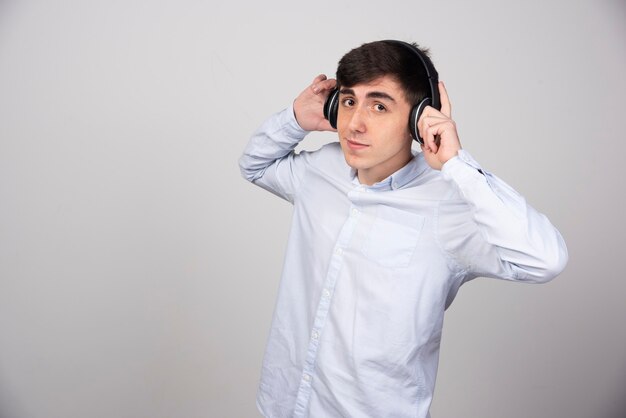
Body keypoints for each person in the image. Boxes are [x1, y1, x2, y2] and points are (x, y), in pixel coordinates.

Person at [239, 40, 568, 418]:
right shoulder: (319, 171)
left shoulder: (448, 206)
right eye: (348, 101)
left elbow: (545, 260)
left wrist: (456, 164)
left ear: (418, 119)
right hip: (283, 405)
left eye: (379, 106)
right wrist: (295, 118)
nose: (355, 123)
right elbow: (255, 165)